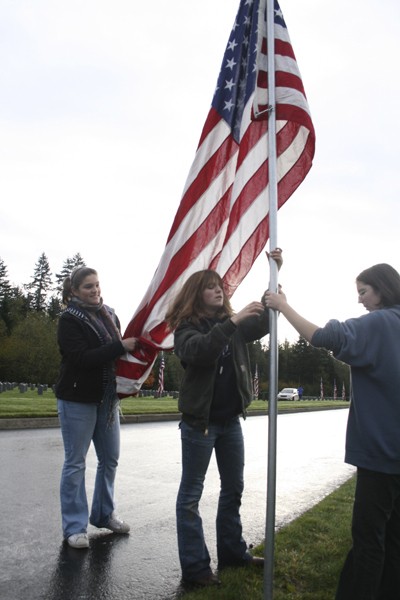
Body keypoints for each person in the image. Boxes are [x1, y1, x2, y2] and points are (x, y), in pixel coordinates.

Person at [265, 263, 400, 600]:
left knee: (369, 543)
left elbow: (323, 338)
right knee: (394, 540)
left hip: (381, 456)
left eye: (363, 292)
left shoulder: (380, 323)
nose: (360, 301)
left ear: (382, 290)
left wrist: (283, 306)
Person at [165, 249, 283, 587]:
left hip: (230, 421)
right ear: (196, 295)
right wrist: (232, 321)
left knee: (233, 488)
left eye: (221, 287)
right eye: (211, 287)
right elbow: (199, 353)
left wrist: (275, 272)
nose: (219, 291)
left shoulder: (233, 325)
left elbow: (264, 319)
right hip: (200, 424)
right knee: (190, 496)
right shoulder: (186, 329)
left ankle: (232, 554)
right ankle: (196, 568)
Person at [55, 266, 138, 549]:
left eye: (97, 285)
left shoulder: (110, 314)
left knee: (110, 458)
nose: (95, 290)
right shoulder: (69, 319)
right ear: (75, 291)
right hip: (77, 399)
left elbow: (123, 351)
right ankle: (74, 527)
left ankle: (104, 514)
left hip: (106, 399)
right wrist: (120, 347)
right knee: (76, 462)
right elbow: (81, 358)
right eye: (88, 286)